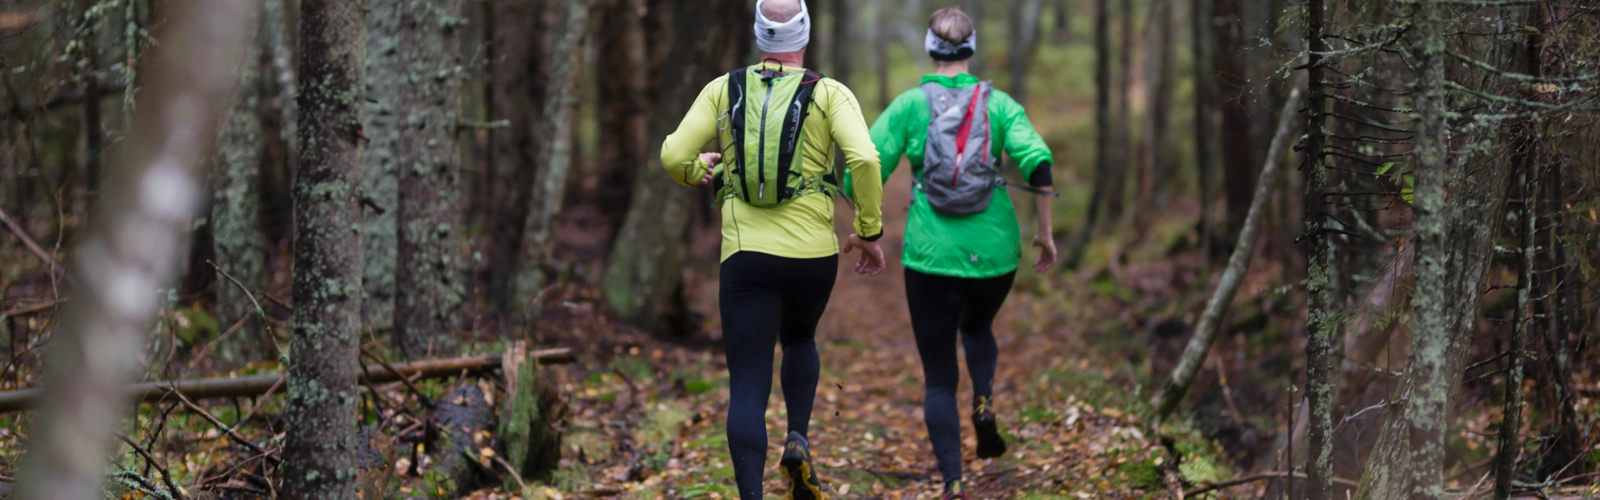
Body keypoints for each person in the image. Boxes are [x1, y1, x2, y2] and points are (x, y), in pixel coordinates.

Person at [658, 0, 887, 497]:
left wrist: (700, 171)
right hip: (813, 256)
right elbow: (865, 159)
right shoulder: (829, 93)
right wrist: (868, 232)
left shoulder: (724, 89)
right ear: (802, 33)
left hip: (746, 258)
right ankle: (798, 439)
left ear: (759, 35)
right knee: (801, 340)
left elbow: (674, 154)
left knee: (747, 380)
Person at [846, 6, 1058, 499]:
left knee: (939, 376)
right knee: (978, 328)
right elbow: (1039, 163)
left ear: (930, 48)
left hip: (930, 254)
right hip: (995, 252)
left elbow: (863, 162)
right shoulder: (1000, 105)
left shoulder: (909, 106)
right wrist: (1045, 233)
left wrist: (866, 230)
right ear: (971, 48)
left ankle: (954, 482)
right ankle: (983, 401)